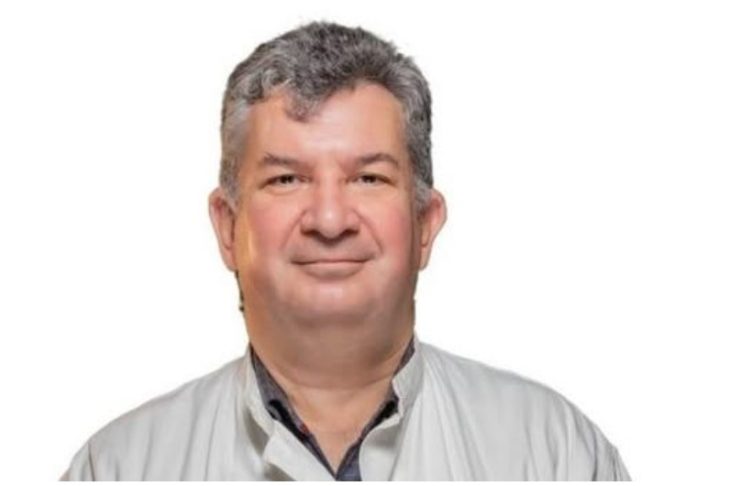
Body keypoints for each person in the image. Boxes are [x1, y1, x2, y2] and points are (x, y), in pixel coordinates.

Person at [63, 21, 630, 481]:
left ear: (425, 223)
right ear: (227, 227)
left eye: (368, 178)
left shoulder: (555, 455)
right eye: (287, 179)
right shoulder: (118, 469)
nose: (330, 221)